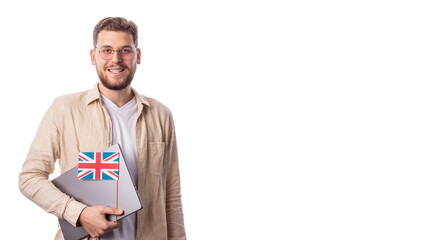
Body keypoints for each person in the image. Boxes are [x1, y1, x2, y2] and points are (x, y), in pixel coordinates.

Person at [18, 17, 186, 240]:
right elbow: (30, 178)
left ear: (138, 56)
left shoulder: (160, 114)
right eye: (106, 50)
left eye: (125, 50)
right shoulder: (64, 109)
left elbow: (171, 195)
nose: (116, 59)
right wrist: (79, 213)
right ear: (93, 56)